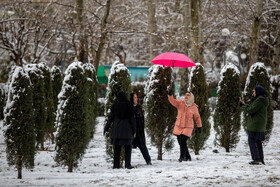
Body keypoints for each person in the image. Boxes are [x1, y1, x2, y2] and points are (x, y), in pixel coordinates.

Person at [167, 88, 202, 162]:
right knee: (180, 142)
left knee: (183, 141)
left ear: (191, 97)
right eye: (185, 95)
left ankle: (182, 157)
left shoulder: (194, 107)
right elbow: (172, 101)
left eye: (188, 95)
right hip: (179, 126)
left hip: (188, 127)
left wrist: (199, 126)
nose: (186, 96)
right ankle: (188, 157)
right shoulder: (180, 103)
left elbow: (197, 118)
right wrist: (170, 95)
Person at [104, 91, 136, 169]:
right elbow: (132, 118)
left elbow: (110, 118)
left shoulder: (115, 105)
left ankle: (116, 165)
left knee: (117, 148)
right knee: (128, 147)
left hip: (117, 129)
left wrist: (106, 128)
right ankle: (127, 165)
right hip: (126, 129)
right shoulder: (129, 105)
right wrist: (134, 130)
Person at [239, 85, 268, 165]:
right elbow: (252, 107)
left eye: (254, 91)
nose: (253, 93)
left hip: (255, 125)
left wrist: (242, 106)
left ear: (258, 92)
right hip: (259, 125)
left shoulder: (259, 100)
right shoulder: (262, 100)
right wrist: (245, 105)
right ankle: (260, 159)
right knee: (258, 142)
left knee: (251, 141)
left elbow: (251, 110)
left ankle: (256, 159)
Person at [129, 92, 152, 165]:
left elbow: (141, 118)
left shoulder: (138, 107)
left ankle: (148, 160)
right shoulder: (129, 107)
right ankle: (127, 162)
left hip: (139, 131)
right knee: (128, 147)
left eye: (136, 97)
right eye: (135, 97)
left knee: (142, 146)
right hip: (131, 131)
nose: (136, 99)